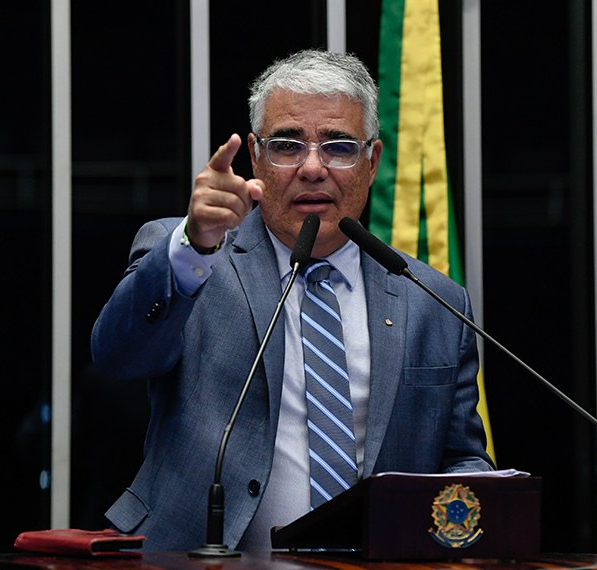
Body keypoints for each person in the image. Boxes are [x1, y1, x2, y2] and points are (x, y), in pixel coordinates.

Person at [91, 49, 493, 552]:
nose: (312, 167)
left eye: (339, 147)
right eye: (287, 145)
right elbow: (118, 357)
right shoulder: (195, 254)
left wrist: (487, 498)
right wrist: (195, 247)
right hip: (196, 559)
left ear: (373, 163)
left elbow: (458, 460)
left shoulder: (433, 300)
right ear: (256, 157)